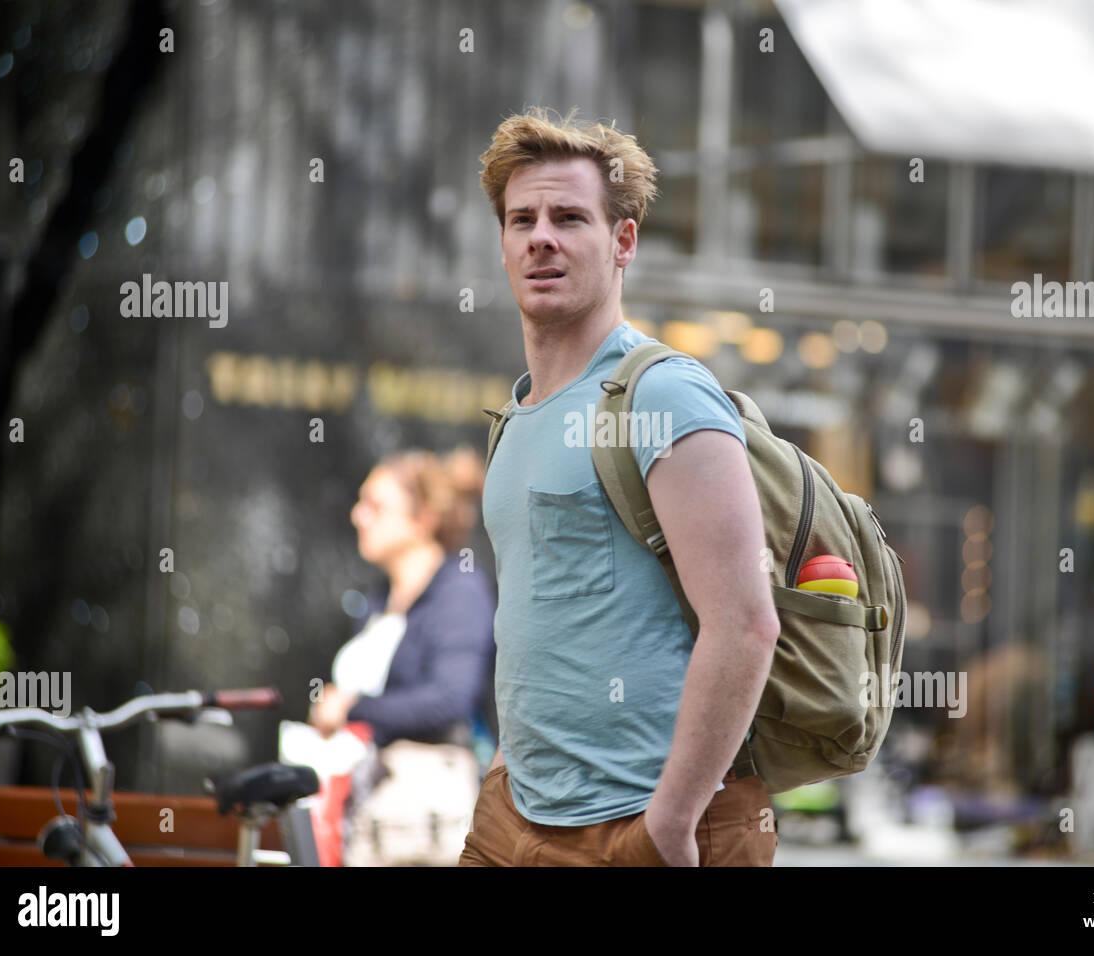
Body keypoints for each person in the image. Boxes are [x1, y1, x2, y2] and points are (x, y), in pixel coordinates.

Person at [458, 107, 780, 867]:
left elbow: (744, 622)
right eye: (521, 219)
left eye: (570, 218)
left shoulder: (663, 396)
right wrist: (506, 769)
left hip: (646, 823)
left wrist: (669, 821)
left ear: (623, 241)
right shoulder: (516, 415)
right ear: (503, 245)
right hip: (515, 818)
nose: (541, 236)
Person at [307, 447, 496, 865]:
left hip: (426, 817)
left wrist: (353, 707)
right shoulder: (379, 601)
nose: (358, 515)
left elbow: (451, 698)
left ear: (423, 518)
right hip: (374, 809)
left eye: (375, 505)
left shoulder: (459, 592)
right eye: (360, 503)